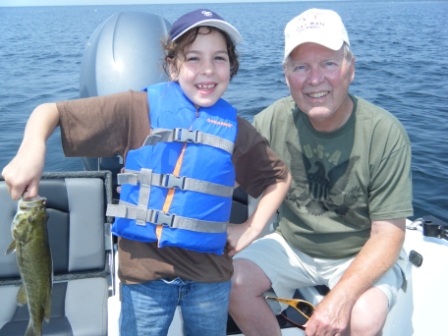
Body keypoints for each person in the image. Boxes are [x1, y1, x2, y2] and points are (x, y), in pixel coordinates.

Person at [2, 9, 291, 336]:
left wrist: (250, 229)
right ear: (171, 65)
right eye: (193, 58)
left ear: (231, 66)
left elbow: (278, 179)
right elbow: (50, 112)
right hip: (144, 279)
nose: (207, 69)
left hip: (210, 279)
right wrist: (32, 148)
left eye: (219, 58)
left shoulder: (236, 130)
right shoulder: (134, 110)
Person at [229, 8, 413, 336]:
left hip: (359, 250)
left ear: (350, 68)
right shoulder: (270, 122)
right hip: (291, 244)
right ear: (286, 76)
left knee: (365, 317)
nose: (315, 79)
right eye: (301, 67)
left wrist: (341, 297)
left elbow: (388, 234)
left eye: (328, 63)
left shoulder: (385, 133)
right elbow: (226, 174)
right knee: (233, 282)